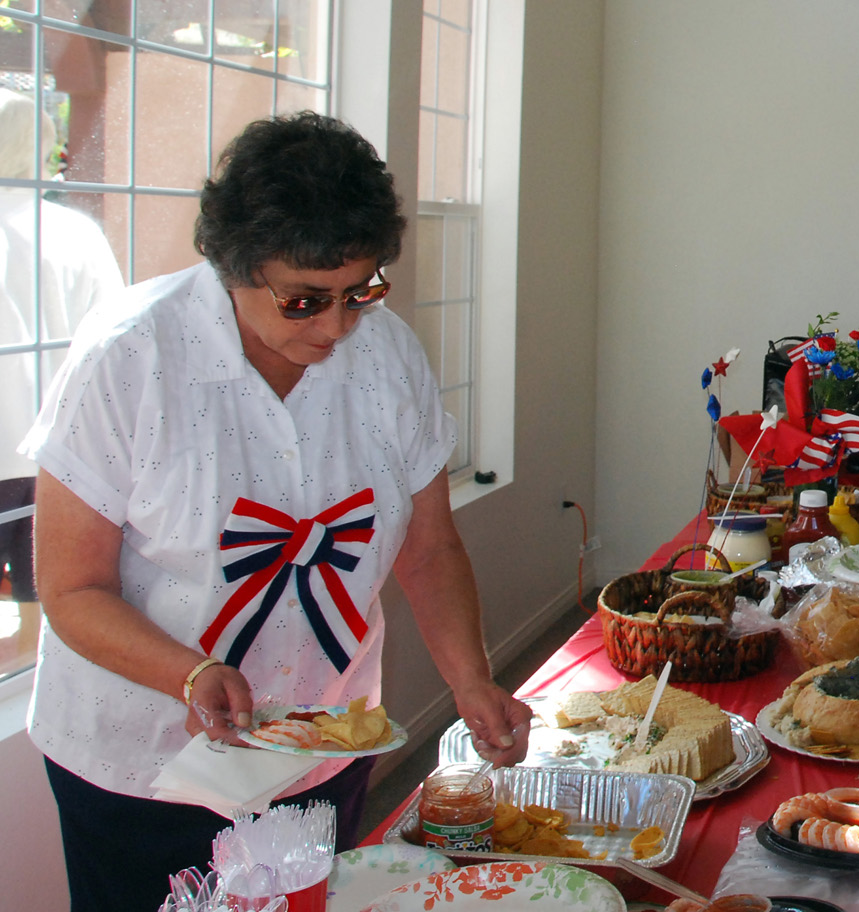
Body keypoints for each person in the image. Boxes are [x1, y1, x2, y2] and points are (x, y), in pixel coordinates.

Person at [25, 112, 531, 912]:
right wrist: (189, 673)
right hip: (141, 764)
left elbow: (429, 548)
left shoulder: (388, 354)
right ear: (234, 265)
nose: (336, 328)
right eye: (304, 301)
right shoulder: (128, 359)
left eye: (360, 291)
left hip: (321, 748)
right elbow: (71, 588)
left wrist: (471, 680)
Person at [0, 91, 123, 672]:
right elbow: (114, 340)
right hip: (60, 439)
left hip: (28, 431)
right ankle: (33, 661)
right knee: (48, 587)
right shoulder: (77, 235)